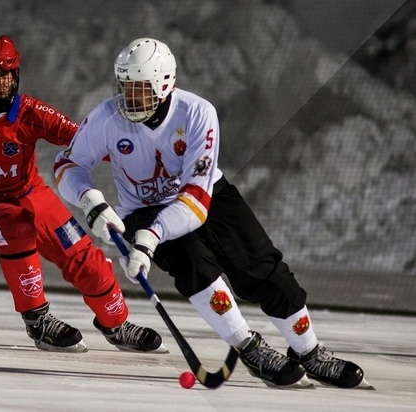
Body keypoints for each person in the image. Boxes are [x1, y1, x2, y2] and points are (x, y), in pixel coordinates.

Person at [54, 37, 371, 388]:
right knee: (196, 267)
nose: (129, 98)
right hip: (142, 209)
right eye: (125, 87)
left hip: (204, 196)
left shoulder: (197, 113)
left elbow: (195, 201)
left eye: (139, 89)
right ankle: (248, 346)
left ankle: (309, 352)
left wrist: (151, 238)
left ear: (164, 84)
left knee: (262, 266)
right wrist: (89, 200)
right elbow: (68, 163)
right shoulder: (107, 117)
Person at [0, 35, 167, 354]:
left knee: (84, 256)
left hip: (29, 194)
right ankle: (38, 321)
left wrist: (134, 156)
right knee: (16, 226)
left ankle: (116, 324)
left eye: (3, 75)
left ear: (15, 75)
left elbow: (80, 138)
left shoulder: (30, 112)